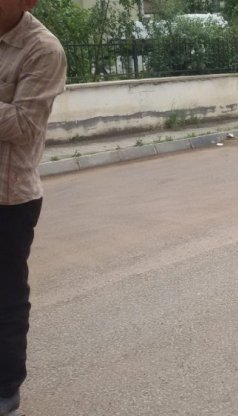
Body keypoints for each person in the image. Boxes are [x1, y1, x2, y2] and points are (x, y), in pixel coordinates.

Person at [0, 1, 67, 415]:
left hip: (9, 198)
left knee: (5, 295)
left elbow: (25, 125)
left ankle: (6, 383)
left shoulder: (43, 49)